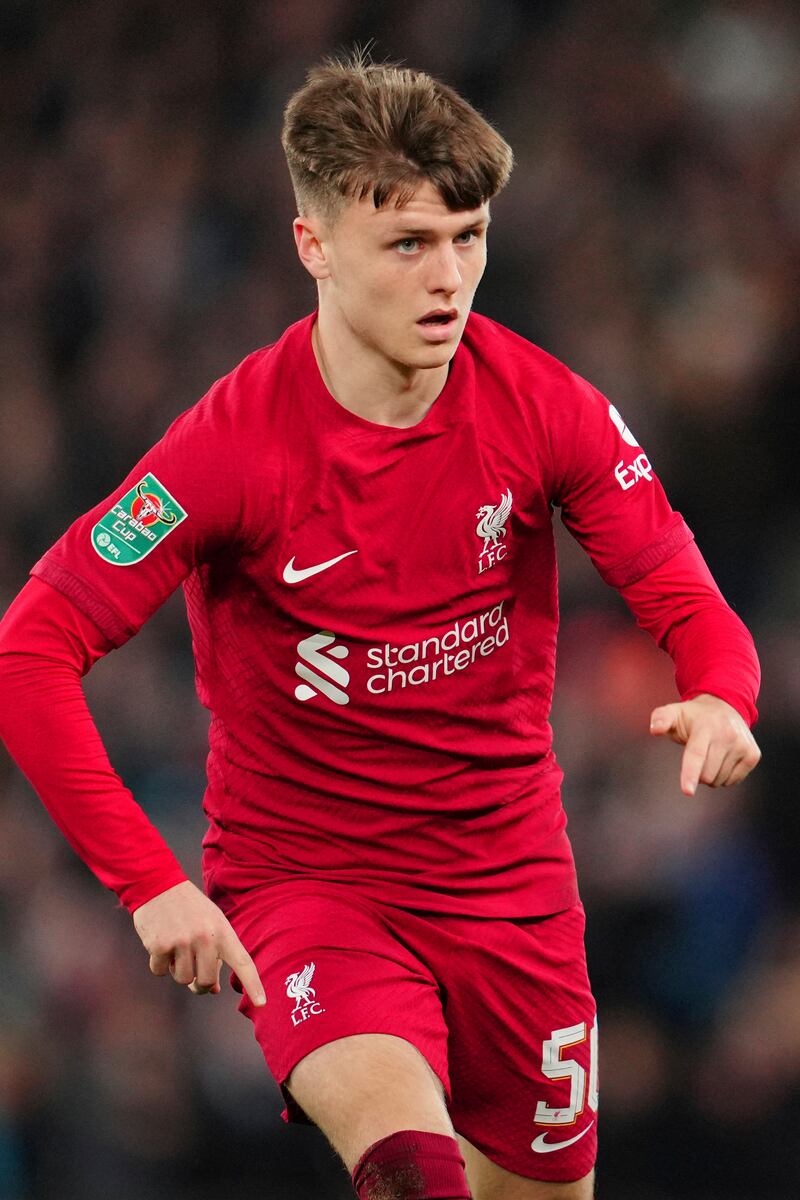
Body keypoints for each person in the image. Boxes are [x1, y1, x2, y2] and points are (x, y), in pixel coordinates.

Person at [0, 47, 761, 1200]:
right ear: (314, 247)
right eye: (407, 244)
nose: (447, 277)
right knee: (412, 1171)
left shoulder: (543, 405)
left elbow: (678, 586)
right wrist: (149, 882)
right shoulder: (230, 449)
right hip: (311, 889)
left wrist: (719, 689)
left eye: (467, 236)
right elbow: (29, 649)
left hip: (513, 891)